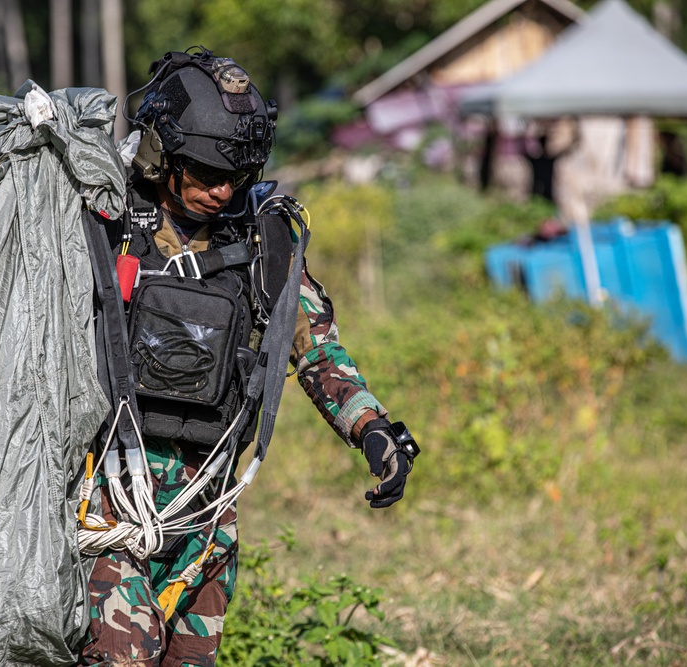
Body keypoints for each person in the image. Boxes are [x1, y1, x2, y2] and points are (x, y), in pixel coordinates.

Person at [76, 48, 420, 666]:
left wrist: (372, 430)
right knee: (128, 655)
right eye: (207, 173)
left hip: (206, 514)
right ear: (162, 153)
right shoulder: (98, 219)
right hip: (101, 505)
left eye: (236, 173)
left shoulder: (264, 236)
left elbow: (315, 347)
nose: (223, 189)